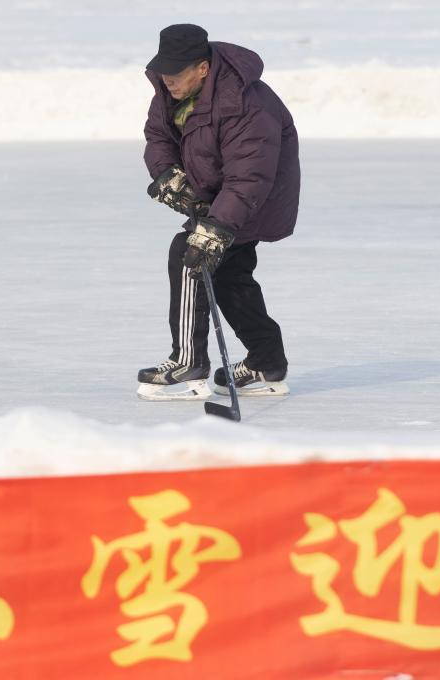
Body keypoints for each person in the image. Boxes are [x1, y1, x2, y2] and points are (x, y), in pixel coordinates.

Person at [137, 24, 300, 401]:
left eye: (176, 73)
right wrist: (169, 174)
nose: (168, 81)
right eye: (163, 71)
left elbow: (249, 177)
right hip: (218, 193)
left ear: (203, 68)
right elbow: (157, 136)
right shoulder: (170, 89)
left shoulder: (245, 104)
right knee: (229, 275)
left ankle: (188, 360)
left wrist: (214, 228)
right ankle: (266, 359)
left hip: (254, 198)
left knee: (190, 252)